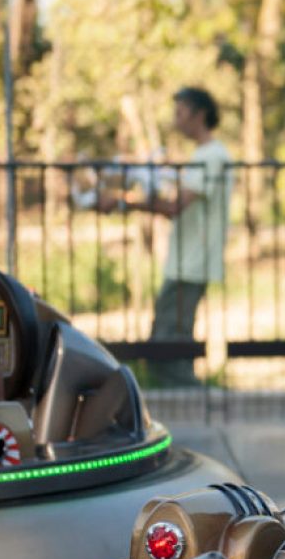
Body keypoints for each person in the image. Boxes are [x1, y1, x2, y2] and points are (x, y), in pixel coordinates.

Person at [100, 87, 233, 387]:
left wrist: (125, 201)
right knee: (169, 340)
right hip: (186, 260)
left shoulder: (212, 156)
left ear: (200, 115)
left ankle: (188, 402)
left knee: (169, 347)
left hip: (192, 262)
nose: (176, 120)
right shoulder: (205, 154)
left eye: (181, 113)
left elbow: (175, 206)